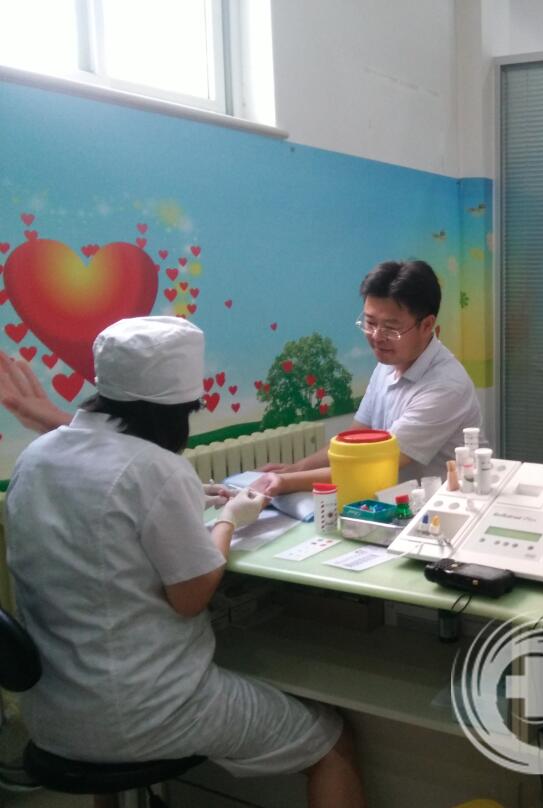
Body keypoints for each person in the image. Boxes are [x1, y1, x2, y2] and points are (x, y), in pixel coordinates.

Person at [4, 317, 365, 807]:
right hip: (146, 713)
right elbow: (192, 596)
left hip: (52, 712)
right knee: (332, 742)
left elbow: (103, 507)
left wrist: (191, 495)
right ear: (173, 413)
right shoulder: (157, 468)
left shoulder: (36, 456)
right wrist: (230, 519)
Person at [257, 260, 481, 495]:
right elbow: (355, 438)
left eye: (391, 328)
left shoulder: (446, 387)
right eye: (370, 323)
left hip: (439, 506)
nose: (376, 337)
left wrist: (285, 482)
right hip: (392, 500)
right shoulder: (388, 362)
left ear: (426, 325)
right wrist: (295, 468)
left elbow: (374, 466)